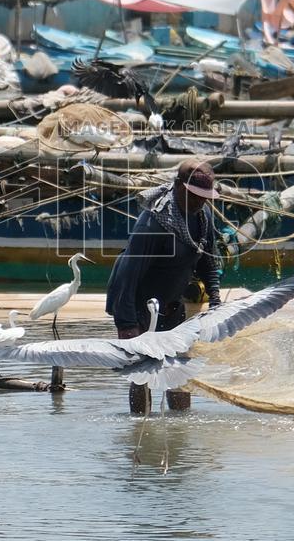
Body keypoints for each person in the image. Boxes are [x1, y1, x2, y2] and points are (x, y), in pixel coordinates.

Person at [105, 158, 222, 414]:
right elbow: (127, 274)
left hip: (171, 303)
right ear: (179, 186)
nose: (201, 201)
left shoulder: (201, 217)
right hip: (137, 305)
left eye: (205, 197)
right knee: (142, 372)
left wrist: (215, 298)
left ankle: (180, 426)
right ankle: (139, 429)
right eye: (196, 195)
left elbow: (206, 258)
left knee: (179, 372)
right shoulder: (154, 223)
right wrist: (128, 327)